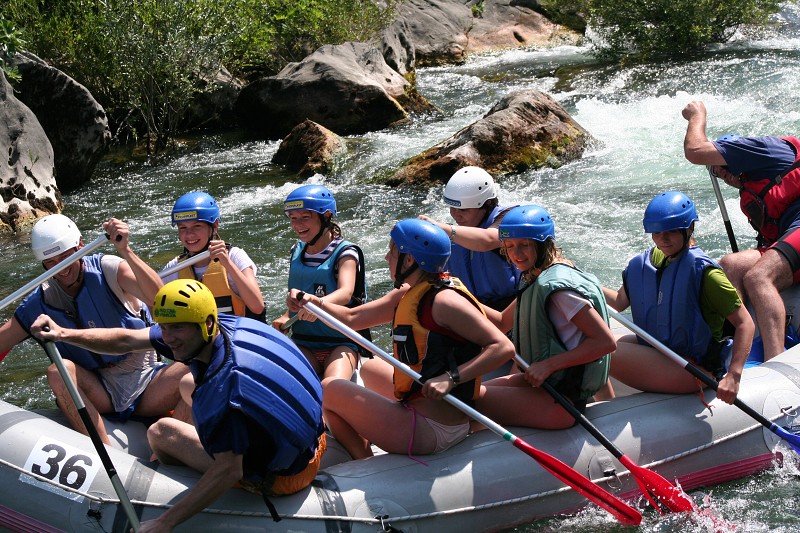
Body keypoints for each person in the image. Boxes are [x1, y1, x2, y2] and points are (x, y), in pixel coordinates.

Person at [31, 280, 325, 532]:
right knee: (187, 383)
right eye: (163, 327)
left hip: (286, 477)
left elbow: (230, 470)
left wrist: (165, 522)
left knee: (161, 433)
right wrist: (63, 334)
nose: (168, 338)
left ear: (206, 323)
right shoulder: (227, 326)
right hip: (314, 439)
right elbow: (127, 340)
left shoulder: (225, 391)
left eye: (178, 328)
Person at [293, 218, 515, 460]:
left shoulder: (444, 302)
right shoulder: (413, 291)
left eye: (392, 252)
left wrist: (451, 378)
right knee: (370, 369)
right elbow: (352, 318)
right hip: (423, 407)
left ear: (409, 260)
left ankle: (363, 459)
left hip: (432, 428)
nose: (387, 257)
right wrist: (315, 303)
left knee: (328, 388)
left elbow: (503, 347)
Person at [0, 214, 187, 444]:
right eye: (51, 262)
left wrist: (125, 250)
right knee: (58, 371)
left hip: (146, 379)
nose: (61, 269)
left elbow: (160, 300)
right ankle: (105, 452)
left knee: (196, 366)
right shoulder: (39, 301)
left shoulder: (109, 269)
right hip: (99, 389)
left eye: (66, 257)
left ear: (80, 246)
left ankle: (171, 446)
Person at [603, 191, 755, 404]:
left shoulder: (707, 275)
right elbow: (620, 302)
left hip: (694, 368)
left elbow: (745, 323)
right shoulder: (651, 261)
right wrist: (588, 284)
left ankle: (601, 415)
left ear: (689, 228)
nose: (662, 239)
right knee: (594, 341)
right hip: (662, 350)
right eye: (657, 232)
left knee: (598, 350)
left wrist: (734, 376)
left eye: (671, 232)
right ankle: (602, 407)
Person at [475, 205, 615, 429]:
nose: (516, 254)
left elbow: (605, 342)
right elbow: (502, 322)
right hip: (546, 384)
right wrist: (463, 298)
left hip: (562, 400)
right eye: (509, 246)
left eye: (524, 245)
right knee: (471, 393)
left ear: (542, 244)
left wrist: (548, 365)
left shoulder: (559, 291)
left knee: (470, 401)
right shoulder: (536, 277)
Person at [683, 100, 800, 360]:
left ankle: (774, 361)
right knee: (731, 265)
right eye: (718, 175)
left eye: (723, 168)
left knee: (758, 277)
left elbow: (694, 151)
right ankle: (736, 352)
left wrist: (696, 114)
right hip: (793, 241)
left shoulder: (759, 150)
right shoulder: (751, 189)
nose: (724, 176)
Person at [275, 184, 369, 386]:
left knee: (332, 386)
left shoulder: (346, 253)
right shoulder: (296, 250)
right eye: (293, 218)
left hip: (341, 344)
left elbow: (345, 293)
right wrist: (286, 316)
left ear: (326, 216)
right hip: (303, 342)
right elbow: (300, 296)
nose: (298, 224)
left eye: (305, 217)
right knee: (285, 384)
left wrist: (317, 306)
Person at [419, 166, 520, 312]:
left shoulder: (509, 218)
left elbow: (487, 240)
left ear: (486, 204)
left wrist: (439, 227)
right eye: (452, 208)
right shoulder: (453, 235)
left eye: (463, 209)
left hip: (510, 307)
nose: (456, 215)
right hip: (472, 309)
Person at [163, 191, 266, 321]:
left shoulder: (234, 256)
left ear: (215, 225)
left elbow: (257, 307)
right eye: (183, 228)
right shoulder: (174, 267)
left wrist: (227, 264)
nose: (189, 234)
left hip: (236, 332)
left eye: (197, 226)